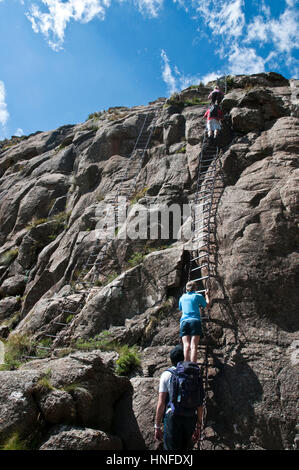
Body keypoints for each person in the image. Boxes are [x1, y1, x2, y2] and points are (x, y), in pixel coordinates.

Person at [154, 344, 205, 450]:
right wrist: (198, 426)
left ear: (171, 359)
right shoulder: (194, 375)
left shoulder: (167, 374)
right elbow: (200, 404)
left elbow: (161, 403)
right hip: (190, 417)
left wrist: (157, 426)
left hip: (173, 417)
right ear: (184, 357)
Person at [179, 281, 210, 363]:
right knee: (193, 346)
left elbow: (180, 308)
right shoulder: (198, 296)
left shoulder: (182, 297)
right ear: (195, 288)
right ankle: (193, 367)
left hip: (184, 322)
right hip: (195, 321)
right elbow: (207, 305)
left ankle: (186, 367)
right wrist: (206, 295)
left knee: (186, 346)